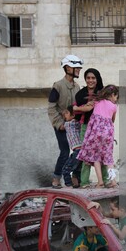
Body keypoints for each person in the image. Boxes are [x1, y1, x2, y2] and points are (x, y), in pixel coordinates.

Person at [48, 55, 83, 188]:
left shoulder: (77, 87)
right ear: (68, 68)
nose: (79, 70)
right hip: (62, 125)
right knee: (64, 152)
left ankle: (76, 178)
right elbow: (51, 108)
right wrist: (59, 124)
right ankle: (56, 179)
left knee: (79, 152)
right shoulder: (57, 86)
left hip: (75, 126)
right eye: (76, 68)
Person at [76, 85, 119, 188]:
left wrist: (76, 108)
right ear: (113, 95)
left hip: (96, 133)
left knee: (96, 158)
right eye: (116, 97)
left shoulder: (97, 101)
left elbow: (87, 108)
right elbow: (112, 120)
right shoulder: (114, 107)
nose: (116, 100)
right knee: (109, 159)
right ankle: (113, 181)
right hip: (108, 134)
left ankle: (100, 181)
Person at [74, 68, 109, 188]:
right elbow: (75, 110)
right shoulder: (80, 94)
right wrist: (81, 108)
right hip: (86, 127)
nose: (90, 80)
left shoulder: (103, 94)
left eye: (93, 78)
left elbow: (109, 109)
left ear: (97, 79)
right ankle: (84, 182)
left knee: (103, 153)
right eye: (88, 78)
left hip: (101, 128)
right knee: (85, 154)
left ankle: (106, 180)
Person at [61, 106, 82, 188]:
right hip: (81, 151)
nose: (64, 115)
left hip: (77, 151)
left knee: (65, 170)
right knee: (77, 171)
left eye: (66, 113)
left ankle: (69, 185)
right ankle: (77, 184)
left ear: (73, 115)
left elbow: (61, 126)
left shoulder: (68, 124)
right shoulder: (78, 123)